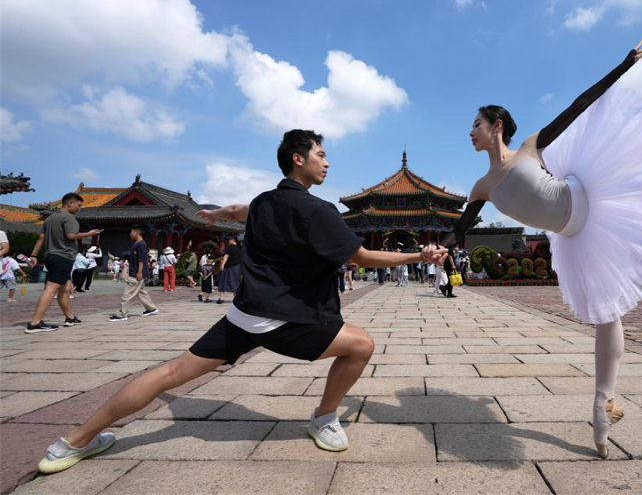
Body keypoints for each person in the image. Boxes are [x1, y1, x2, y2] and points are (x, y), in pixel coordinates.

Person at [35, 129, 448, 474]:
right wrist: (420, 255)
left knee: (171, 373)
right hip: (287, 320)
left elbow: (238, 208)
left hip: (244, 315)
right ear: (298, 159)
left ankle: (71, 443)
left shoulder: (266, 201)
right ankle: (323, 417)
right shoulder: (319, 210)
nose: (327, 162)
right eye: (321, 155)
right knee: (361, 345)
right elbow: (361, 257)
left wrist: (214, 216)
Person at [437, 40, 642, 458]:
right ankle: (604, 407)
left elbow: (580, 104)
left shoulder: (531, 146)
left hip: (591, 195)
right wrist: (435, 249)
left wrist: (623, 66)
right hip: (573, 235)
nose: (470, 131)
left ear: (496, 125)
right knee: (607, 313)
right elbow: (457, 231)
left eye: (475, 123)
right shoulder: (481, 188)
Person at [25, 193, 98, 333]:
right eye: (79, 205)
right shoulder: (69, 218)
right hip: (63, 256)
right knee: (51, 288)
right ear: (69, 203)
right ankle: (35, 323)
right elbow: (71, 236)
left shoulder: (49, 219)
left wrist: (33, 255)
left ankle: (70, 317)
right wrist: (90, 234)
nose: (79, 209)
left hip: (50, 255)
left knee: (65, 288)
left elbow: (41, 238)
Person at [108, 226, 159, 322]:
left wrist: (139, 272)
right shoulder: (138, 244)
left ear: (137, 232)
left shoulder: (141, 244)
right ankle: (151, 308)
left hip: (136, 273)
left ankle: (122, 313)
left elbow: (141, 259)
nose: (130, 234)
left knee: (128, 293)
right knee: (140, 292)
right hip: (136, 271)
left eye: (131, 231)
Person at [216, 238, 241, 304]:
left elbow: (226, 256)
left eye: (228, 240)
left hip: (229, 266)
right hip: (237, 267)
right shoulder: (240, 248)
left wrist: (222, 265)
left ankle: (221, 298)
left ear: (232, 240)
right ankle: (236, 298)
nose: (227, 242)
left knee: (223, 280)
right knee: (235, 282)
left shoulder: (230, 247)